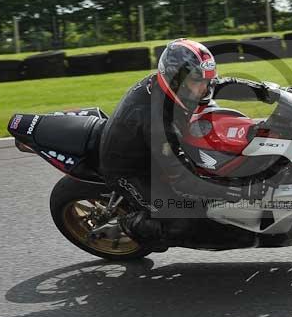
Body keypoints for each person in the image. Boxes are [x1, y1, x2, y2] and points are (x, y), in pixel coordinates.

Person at [98, 38, 272, 250]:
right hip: (131, 171)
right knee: (183, 218)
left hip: (154, 148)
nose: (204, 87)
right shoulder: (156, 121)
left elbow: (220, 86)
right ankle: (128, 226)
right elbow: (183, 179)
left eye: (206, 79)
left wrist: (267, 92)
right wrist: (236, 191)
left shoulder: (182, 87)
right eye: (197, 81)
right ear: (175, 80)